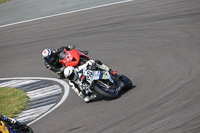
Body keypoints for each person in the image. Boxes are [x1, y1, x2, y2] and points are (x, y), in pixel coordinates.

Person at [42, 45, 119, 102]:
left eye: (50, 56)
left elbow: (62, 49)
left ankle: (111, 71)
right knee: (85, 97)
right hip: (63, 69)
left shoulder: (55, 52)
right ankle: (92, 91)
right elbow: (56, 70)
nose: (50, 58)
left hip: (67, 62)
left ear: (51, 53)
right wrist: (61, 69)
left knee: (93, 62)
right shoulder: (47, 64)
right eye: (47, 58)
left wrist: (68, 47)